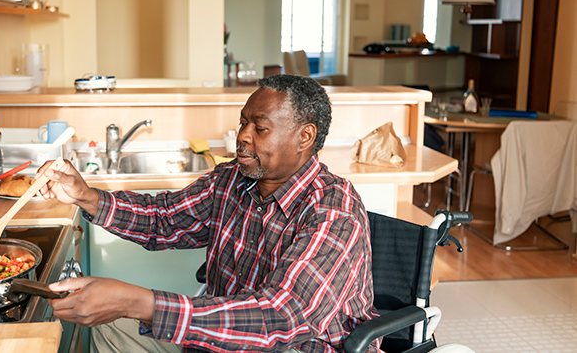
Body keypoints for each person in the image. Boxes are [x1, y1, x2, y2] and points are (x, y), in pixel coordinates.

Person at [37, 74, 381, 353]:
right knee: (111, 328)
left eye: (259, 128)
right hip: (221, 339)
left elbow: (279, 317)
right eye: (243, 122)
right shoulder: (231, 178)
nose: (242, 136)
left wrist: (141, 303)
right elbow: (164, 217)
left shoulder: (334, 211)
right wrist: (86, 197)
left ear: (305, 137)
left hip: (295, 347)